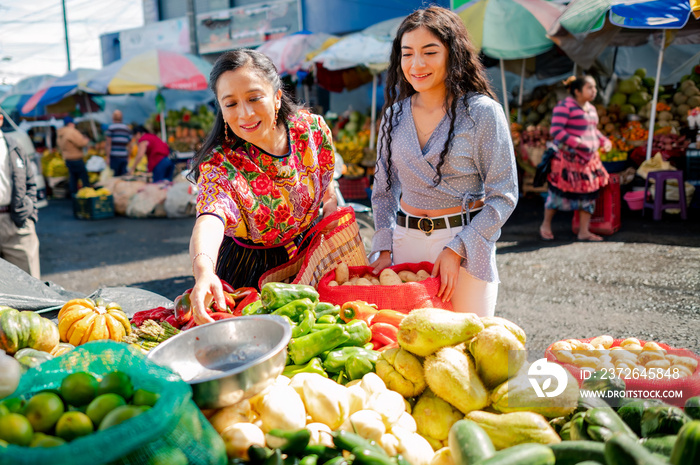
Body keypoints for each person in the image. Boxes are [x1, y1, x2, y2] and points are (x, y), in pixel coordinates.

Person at [370, 6, 518, 318]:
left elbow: (503, 195)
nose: (417, 64)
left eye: (430, 52)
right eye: (407, 53)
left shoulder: (482, 113)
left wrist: (458, 248)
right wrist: (383, 247)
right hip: (404, 245)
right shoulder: (394, 116)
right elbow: (383, 191)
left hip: (465, 245)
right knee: (407, 350)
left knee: (470, 350)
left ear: (454, 54)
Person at [188, 49, 337, 325]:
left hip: (312, 257)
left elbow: (326, 184)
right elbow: (209, 218)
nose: (244, 114)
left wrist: (330, 206)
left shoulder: (311, 130)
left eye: (254, 98)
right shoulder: (221, 163)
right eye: (230, 104)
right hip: (250, 272)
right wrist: (204, 270)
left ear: (277, 96)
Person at [539, 75, 611, 242]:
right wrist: (577, 143)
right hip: (568, 161)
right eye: (590, 88)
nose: (594, 91)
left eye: (594, 88)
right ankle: (545, 225)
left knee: (589, 195)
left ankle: (584, 231)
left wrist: (604, 141)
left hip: (589, 161)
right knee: (558, 195)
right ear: (577, 91)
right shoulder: (564, 107)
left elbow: (594, 131)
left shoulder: (591, 109)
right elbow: (556, 131)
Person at [0, 113, 40, 278]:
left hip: (16, 221)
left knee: (29, 283)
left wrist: (29, 211)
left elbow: (31, 182)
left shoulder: (14, 146)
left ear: (1, 119)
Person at [57, 116, 90, 196]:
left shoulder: (61, 134)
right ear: (71, 123)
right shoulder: (72, 132)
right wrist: (86, 140)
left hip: (67, 158)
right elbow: (81, 143)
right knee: (84, 177)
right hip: (76, 158)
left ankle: (73, 195)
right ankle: (87, 195)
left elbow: (59, 147)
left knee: (73, 178)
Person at [104, 110, 132, 176]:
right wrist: (129, 157)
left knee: (115, 178)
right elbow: (130, 145)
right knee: (123, 177)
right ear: (122, 118)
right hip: (124, 157)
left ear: (113, 118)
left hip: (114, 157)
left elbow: (108, 144)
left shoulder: (111, 128)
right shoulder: (127, 129)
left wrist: (107, 157)